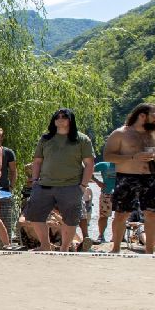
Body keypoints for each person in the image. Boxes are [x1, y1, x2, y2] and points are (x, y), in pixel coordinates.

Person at [103, 103, 155, 254]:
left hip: (151, 177)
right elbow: (108, 156)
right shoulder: (120, 133)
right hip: (126, 177)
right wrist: (132, 157)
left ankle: (150, 250)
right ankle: (116, 247)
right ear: (142, 115)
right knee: (121, 213)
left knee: (152, 213)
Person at [24, 108, 95, 252]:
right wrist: (35, 181)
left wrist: (83, 185)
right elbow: (37, 161)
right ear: (54, 120)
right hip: (44, 185)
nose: (60, 119)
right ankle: (45, 245)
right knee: (35, 215)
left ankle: (64, 248)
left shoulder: (82, 139)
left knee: (71, 219)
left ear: (71, 120)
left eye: (64, 116)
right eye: (57, 117)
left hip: (71, 185)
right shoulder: (46, 139)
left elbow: (89, 164)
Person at [93, 157, 117, 243]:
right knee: (103, 216)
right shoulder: (103, 165)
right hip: (106, 193)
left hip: (120, 194)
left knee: (120, 216)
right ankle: (101, 235)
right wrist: (97, 181)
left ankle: (117, 237)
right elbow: (88, 170)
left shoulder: (124, 164)